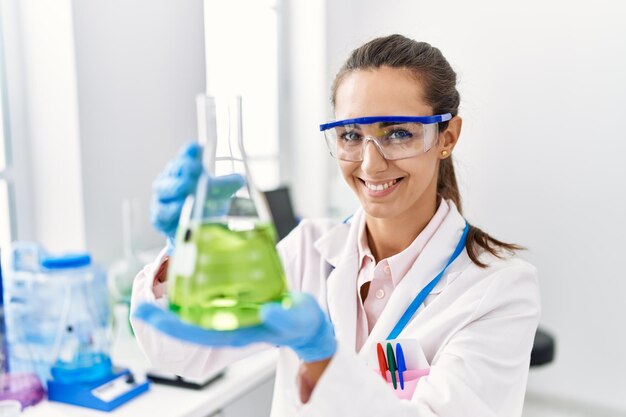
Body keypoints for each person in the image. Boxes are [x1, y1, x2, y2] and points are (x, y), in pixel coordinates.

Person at [130, 34, 540, 416]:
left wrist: (323, 359)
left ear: (447, 136)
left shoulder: (499, 287)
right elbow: (179, 355)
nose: (370, 163)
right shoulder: (308, 250)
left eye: (398, 133)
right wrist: (182, 258)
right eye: (349, 135)